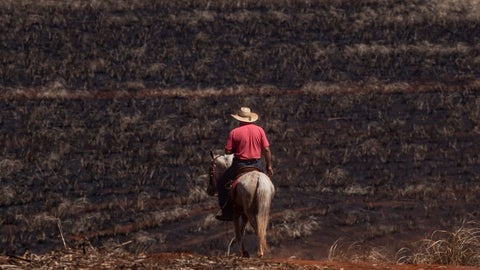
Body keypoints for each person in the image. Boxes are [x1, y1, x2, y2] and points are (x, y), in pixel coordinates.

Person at [216, 107, 273, 221]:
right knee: (267, 185)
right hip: (257, 164)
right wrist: (269, 165)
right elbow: (266, 149)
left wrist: (235, 149)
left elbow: (227, 151)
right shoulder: (260, 130)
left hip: (240, 165)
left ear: (239, 119)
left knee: (222, 183)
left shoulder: (234, 132)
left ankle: (225, 211)